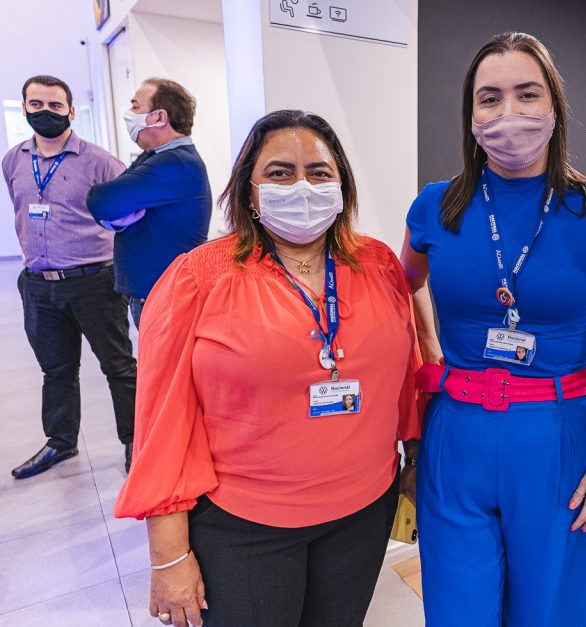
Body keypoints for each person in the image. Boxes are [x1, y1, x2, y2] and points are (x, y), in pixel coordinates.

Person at [113, 110, 424, 627]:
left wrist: (414, 456)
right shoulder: (197, 278)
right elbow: (162, 424)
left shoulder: (377, 263)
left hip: (364, 511)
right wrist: (168, 555)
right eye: (280, 173)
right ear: (249, 190)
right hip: (244, 526)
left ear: (342, 185)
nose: (302, 187)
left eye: (319, 173)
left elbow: (404, 373)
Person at [402, 31, 586, 626]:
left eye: (527, 93)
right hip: (457, 434)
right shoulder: (436, 206)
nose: (508, 111)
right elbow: (401, 285)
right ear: (471, 115)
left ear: (554, 106)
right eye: (490, 98)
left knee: (554, 611)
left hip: (559, 436)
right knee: (458, 612)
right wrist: (429, 346)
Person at [2, 75, 137, 478]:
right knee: (56, 370)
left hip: (93, 282)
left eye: (55, 105)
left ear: (71, 112)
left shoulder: (100, 162)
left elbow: (130, 214)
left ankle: (136, 443)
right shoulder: (13, 160)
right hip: (38, 284)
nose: (45, 112)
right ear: (24, 108)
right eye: (36, 105)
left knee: (118, 367)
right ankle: (60, 442)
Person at [87, 78, 211, 328]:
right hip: (157, 294)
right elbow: (109, 205)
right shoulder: (154, 156)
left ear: (158, 117)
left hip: (166, 298)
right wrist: (116, 217)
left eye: (135, 106)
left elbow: (100, 200)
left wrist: (115, 214)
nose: (128, 113)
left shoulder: (175, 163)